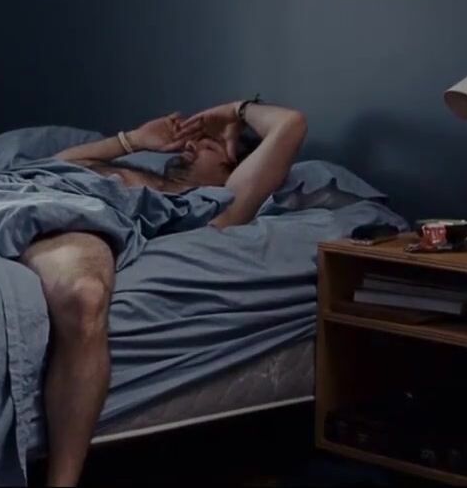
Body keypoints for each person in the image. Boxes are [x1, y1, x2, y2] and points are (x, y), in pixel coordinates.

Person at [23, 99, 307, 486]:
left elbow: (291, 124)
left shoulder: (214, 202)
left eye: (206, 144)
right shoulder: (136, 169)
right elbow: (54, 164)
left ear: (232, 168)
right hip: (7, 196)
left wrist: (234, 112)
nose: (190, 143)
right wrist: (134, 140)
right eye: (193, 139)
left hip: (74, 220)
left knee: (85, 295)